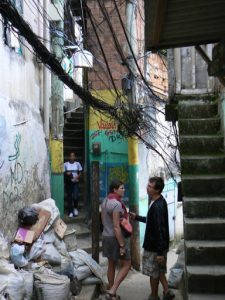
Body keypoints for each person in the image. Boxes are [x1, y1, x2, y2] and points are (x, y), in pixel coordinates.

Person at [130, 177, 174, 300]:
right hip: (159, 245)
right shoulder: (157, 201)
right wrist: (137, 217)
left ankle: (154, 296)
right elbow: (152, 221)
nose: (147, 187)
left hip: (155, 247)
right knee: (159, 270)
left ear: (157, 190)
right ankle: (166, 291)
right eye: (148, 185)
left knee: (153, 273)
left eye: (150, 186)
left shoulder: (158, 206)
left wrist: (160, 253)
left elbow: (160, 229)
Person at [101, 180, 131, 300]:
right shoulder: (116, 204)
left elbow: (104, 220)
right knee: (127, 264)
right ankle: (112, 291)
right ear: (115, 190)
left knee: (111, 264)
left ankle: (111, 291)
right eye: (121, 188)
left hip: (106, 236)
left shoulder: (105, 201)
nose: (124, 190)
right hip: (115, 238)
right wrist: (122, 245)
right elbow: (116, 226)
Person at [64, 152, 82, 217]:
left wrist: (76, 177)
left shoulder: (77, 164)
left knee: (75, 196)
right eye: (71, 156)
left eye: (73, 156)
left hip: (75, 182)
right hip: (69, 182)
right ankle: (70, 211)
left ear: (75, 157)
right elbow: (64, 173)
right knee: (69, 197)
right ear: (69, 157)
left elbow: (80, 173)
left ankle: (75, 208)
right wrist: (67, 174)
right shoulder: (65, 164)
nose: (72, 157)